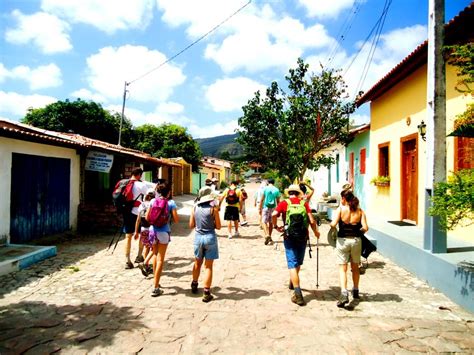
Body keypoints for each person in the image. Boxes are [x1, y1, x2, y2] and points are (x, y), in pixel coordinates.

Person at [272, 184, 320, 306]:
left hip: (289, 236)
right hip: (303, 237)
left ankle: (298, 294)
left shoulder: (284, 203)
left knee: (292, 264)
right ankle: (293, 282)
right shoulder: (304, 203)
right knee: (297, 262)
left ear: (289, 193)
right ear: (298, 193)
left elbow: (273, 215)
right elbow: (312, 220)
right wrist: (316, 232)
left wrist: (276, 226)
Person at [329, 189, 368, 308]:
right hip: (356, 241)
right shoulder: (360, 211)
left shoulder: (341, 209)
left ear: (344, 199)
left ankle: (344, 293)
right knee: (355, 267)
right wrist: (356, 229)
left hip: (343, 241)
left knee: (343, 268)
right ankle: (355, 290)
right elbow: (365, 228)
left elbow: (333, 224)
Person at [146, 182, 179, 297]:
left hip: (152, 231)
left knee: (155, 255)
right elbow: (176, 219)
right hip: (164, 231)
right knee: (161, 259)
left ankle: (156, 282)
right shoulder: (171, 203)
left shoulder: (152, 201)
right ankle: (155, 288)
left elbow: (147, 217)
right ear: (169, 192)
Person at [189, 186, 221, 302]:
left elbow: (191, 225)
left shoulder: (195, 207)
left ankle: (194, 283)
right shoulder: (214, 209)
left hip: (198, 238)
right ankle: (206, 292)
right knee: (208, 266)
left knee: (197, 262)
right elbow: (218, 226)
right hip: (210, 238)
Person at [121, 168, 150, 269]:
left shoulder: (124, 183)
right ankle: (139, 255)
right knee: (142, 234)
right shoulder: (141, 185)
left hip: (127, 212)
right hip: (138, 213)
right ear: (139, 175)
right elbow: (149, 195)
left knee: (128, 236)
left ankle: (127, 260)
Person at [135, 188, 155, 277]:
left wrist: (136, 231)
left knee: (146, 246)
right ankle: (145, 264)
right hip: (151, 228)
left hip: (143, 228)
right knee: (151, 248)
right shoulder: (153, 204)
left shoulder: (141, 205)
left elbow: (138, 220)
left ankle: (146, 264)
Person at [259, 178, 281, 245]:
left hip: (266, 207)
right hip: (273, 207)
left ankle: (266, 234)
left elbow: (262, 199)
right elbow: (278, 201)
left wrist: (260, 208)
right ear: (274, 182)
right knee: (271, 222)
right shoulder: (276, 189)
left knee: (263, 222)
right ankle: (270, 236)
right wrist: (278, 210)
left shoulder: (265, 189)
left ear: (268, 182)